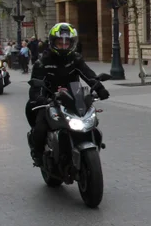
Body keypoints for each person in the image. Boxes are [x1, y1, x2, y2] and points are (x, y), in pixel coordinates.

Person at [26, 23, 109, 165]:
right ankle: (38, 154)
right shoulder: (42, 62)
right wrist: (39, 98)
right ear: (53, 42)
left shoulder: (75, 59)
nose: (64, 45)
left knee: (91, 123)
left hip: (74, 98)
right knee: (40, 127)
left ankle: (90, 145)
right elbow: (36, 84)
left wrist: (99, 88)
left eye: (67, 43)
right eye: (60, 42)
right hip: (49, 99)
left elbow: (88, 75)